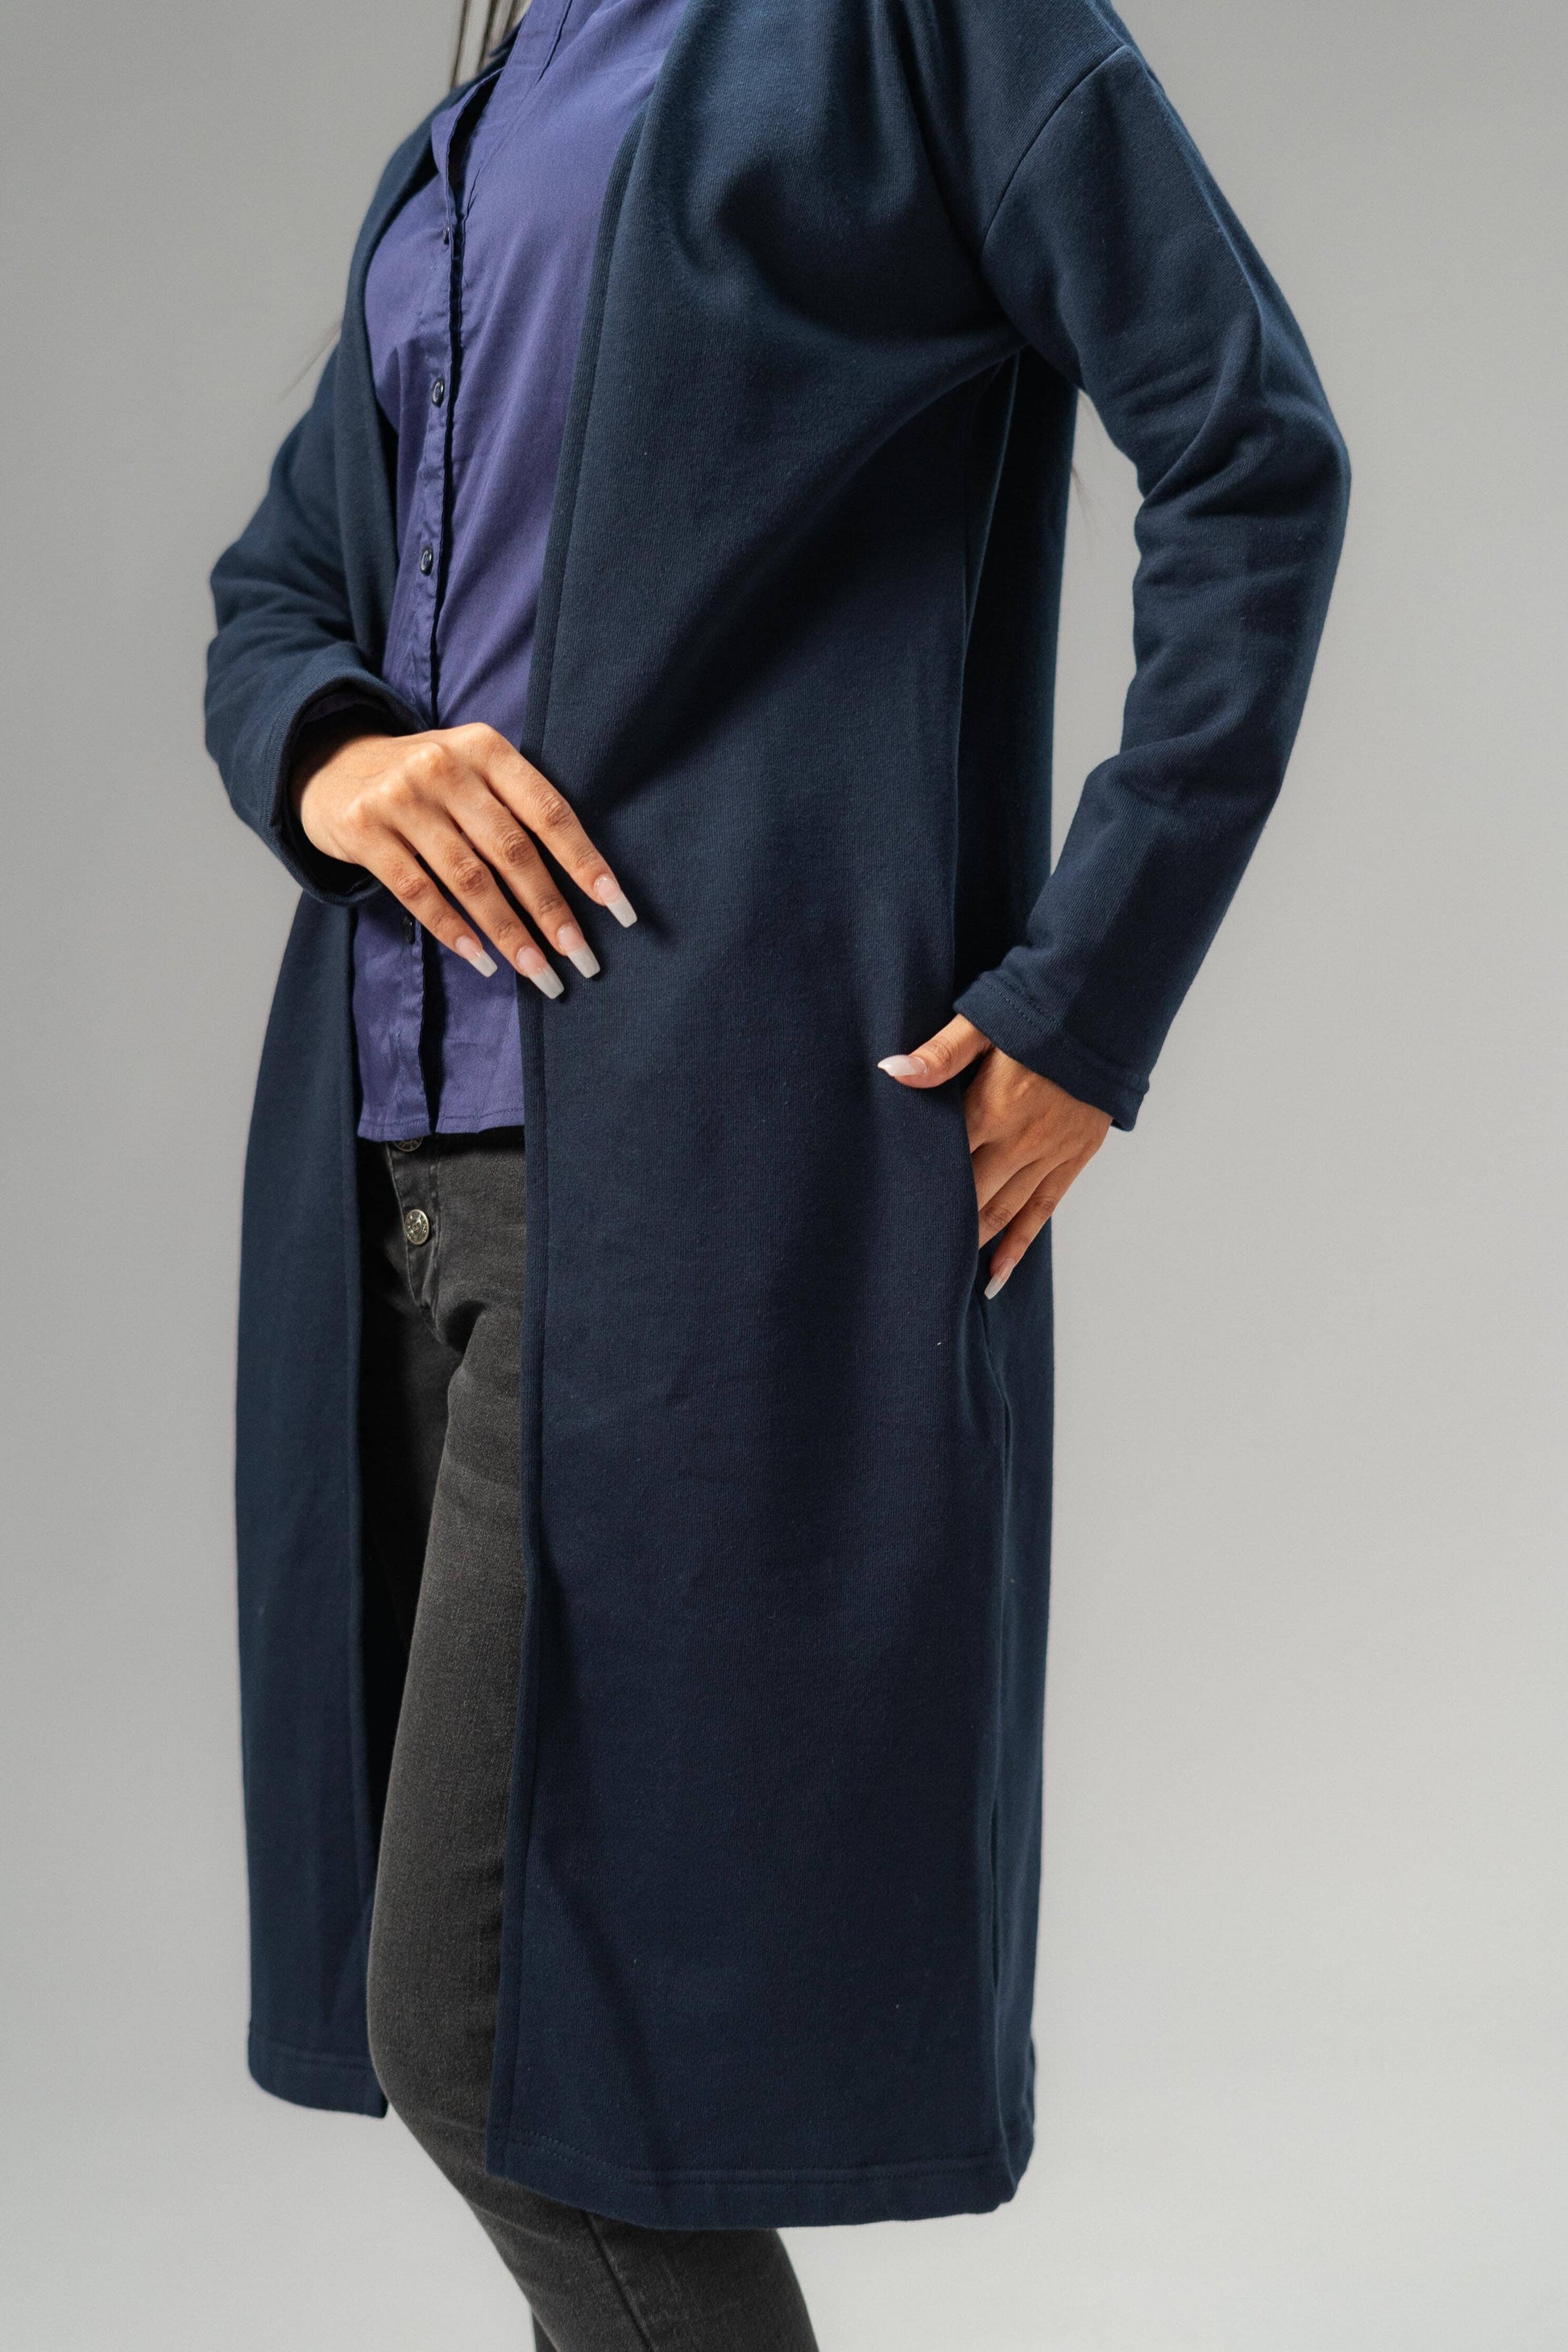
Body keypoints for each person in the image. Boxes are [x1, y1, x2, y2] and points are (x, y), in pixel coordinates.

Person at [205, 0, 1349, 2341]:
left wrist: (1087, 997)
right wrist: (332, 758)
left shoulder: (910, 25)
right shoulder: (473, 120)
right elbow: (279, 590)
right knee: (522, 2053)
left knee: (498, 2044)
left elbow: (1251, 450)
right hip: (389, 1165)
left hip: (701, 1185)